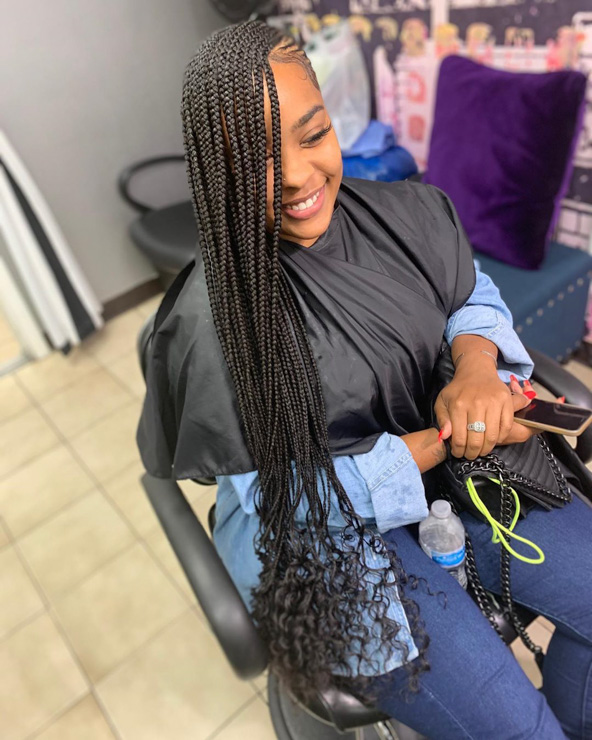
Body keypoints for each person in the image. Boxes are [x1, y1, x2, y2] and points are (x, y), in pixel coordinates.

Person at [137, 21, 592, 739]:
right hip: (326, 537)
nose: (296, 174)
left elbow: (468, 296)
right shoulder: (210, 323)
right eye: (252, 158)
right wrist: (433, 445)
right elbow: (282, 502)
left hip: (453, 477)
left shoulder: (407, 215)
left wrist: (475, 363)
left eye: (313, 135)